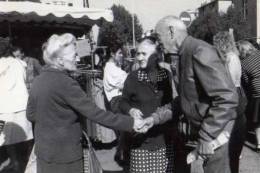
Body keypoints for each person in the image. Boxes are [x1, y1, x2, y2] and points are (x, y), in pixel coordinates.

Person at [26, 33, 152, 173]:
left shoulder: (38, 80)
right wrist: (131, 123)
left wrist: (53, 123)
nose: (78, 58)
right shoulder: (66, 83)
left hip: (44, 153)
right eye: (74, 55)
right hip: (66, 156)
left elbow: (30, 115)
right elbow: (96, 114)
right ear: (60, 60)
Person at [155, 16, 240, 173]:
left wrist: (207, 135)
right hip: (214, 131)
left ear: (171, 31)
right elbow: (185, 99)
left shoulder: (199, 51)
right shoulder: (183, 54)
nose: (157, 43)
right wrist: (154, 118)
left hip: (219, 133)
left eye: (158, 36)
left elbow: (227, 98)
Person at [119, 35, 174, 173]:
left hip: (163, 140)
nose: (139, 57)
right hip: (141, 142)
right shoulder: (132, 78)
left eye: (144, 54)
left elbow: (169, 104)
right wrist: (130, 110)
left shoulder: (166, 75)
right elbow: (122, 102)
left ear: (155, 56)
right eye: (138, 53)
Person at [213, 31, 247, 169]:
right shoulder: (229, 57)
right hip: (233, 97)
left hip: (233, 97)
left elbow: (230, 83)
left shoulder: (231, 58)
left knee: (232, 147)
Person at [0, 43, 33, 173]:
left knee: (6, 139)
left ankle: (15, 162)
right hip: (22, 106)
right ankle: (29, 164)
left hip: (3, 109)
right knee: (27, 137)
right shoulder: (20, 63)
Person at [237, 40, 260, 152]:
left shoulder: (243, 63)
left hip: (257, 94)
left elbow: (245, 81)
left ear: (242, 50)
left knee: (257, 121)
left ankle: (259, 143)